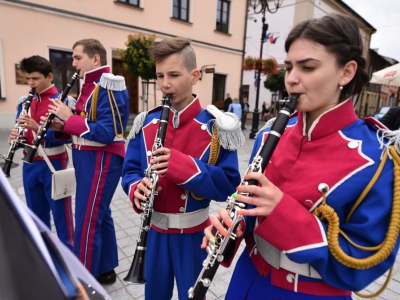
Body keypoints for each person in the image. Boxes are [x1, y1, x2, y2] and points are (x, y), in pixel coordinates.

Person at [202, 13, 400, 299]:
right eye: (289, 67)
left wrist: (282, 212)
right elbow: (249, 206)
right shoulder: (271, 135)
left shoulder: (379, 157)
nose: (291, 79)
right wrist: (235, 224)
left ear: (346, 72)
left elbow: (361, 266)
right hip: (246, 282)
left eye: (307, 67)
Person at [121, 37, 241, 300]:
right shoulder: (146, 122)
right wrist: (135, 189)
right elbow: (129, 171)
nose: (165, 83)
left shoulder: (217, 127)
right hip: (153, 235)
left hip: (194, 235)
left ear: (194, 75)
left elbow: (230, 185)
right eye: (160, 75)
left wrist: (183, 167)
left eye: (174, 75)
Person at [45, 39, 130, 284]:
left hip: (101, 158)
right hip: (86, 157)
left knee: (86, 219)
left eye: (77, 57)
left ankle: (85, 281)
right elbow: (84, 125)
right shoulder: (88, 85)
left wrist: (69, 118)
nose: (73, 63)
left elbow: (105, 132)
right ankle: (104, 269)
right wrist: (61, 126)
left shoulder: (109, 85)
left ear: (95, 59)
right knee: (99, 214)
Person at [7, 55, 75, 250]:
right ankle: (45, 257)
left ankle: (69, 263)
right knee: (36, 216)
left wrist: (37, 128)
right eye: (28, 79)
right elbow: (23, 132)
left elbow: (69, 136)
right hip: (30, 165)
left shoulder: (62, 101)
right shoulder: (24, 102)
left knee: (62, 217)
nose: (31, 83)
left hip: (54, 163)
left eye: (35, 78)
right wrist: (17, 140)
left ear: (50, 76)